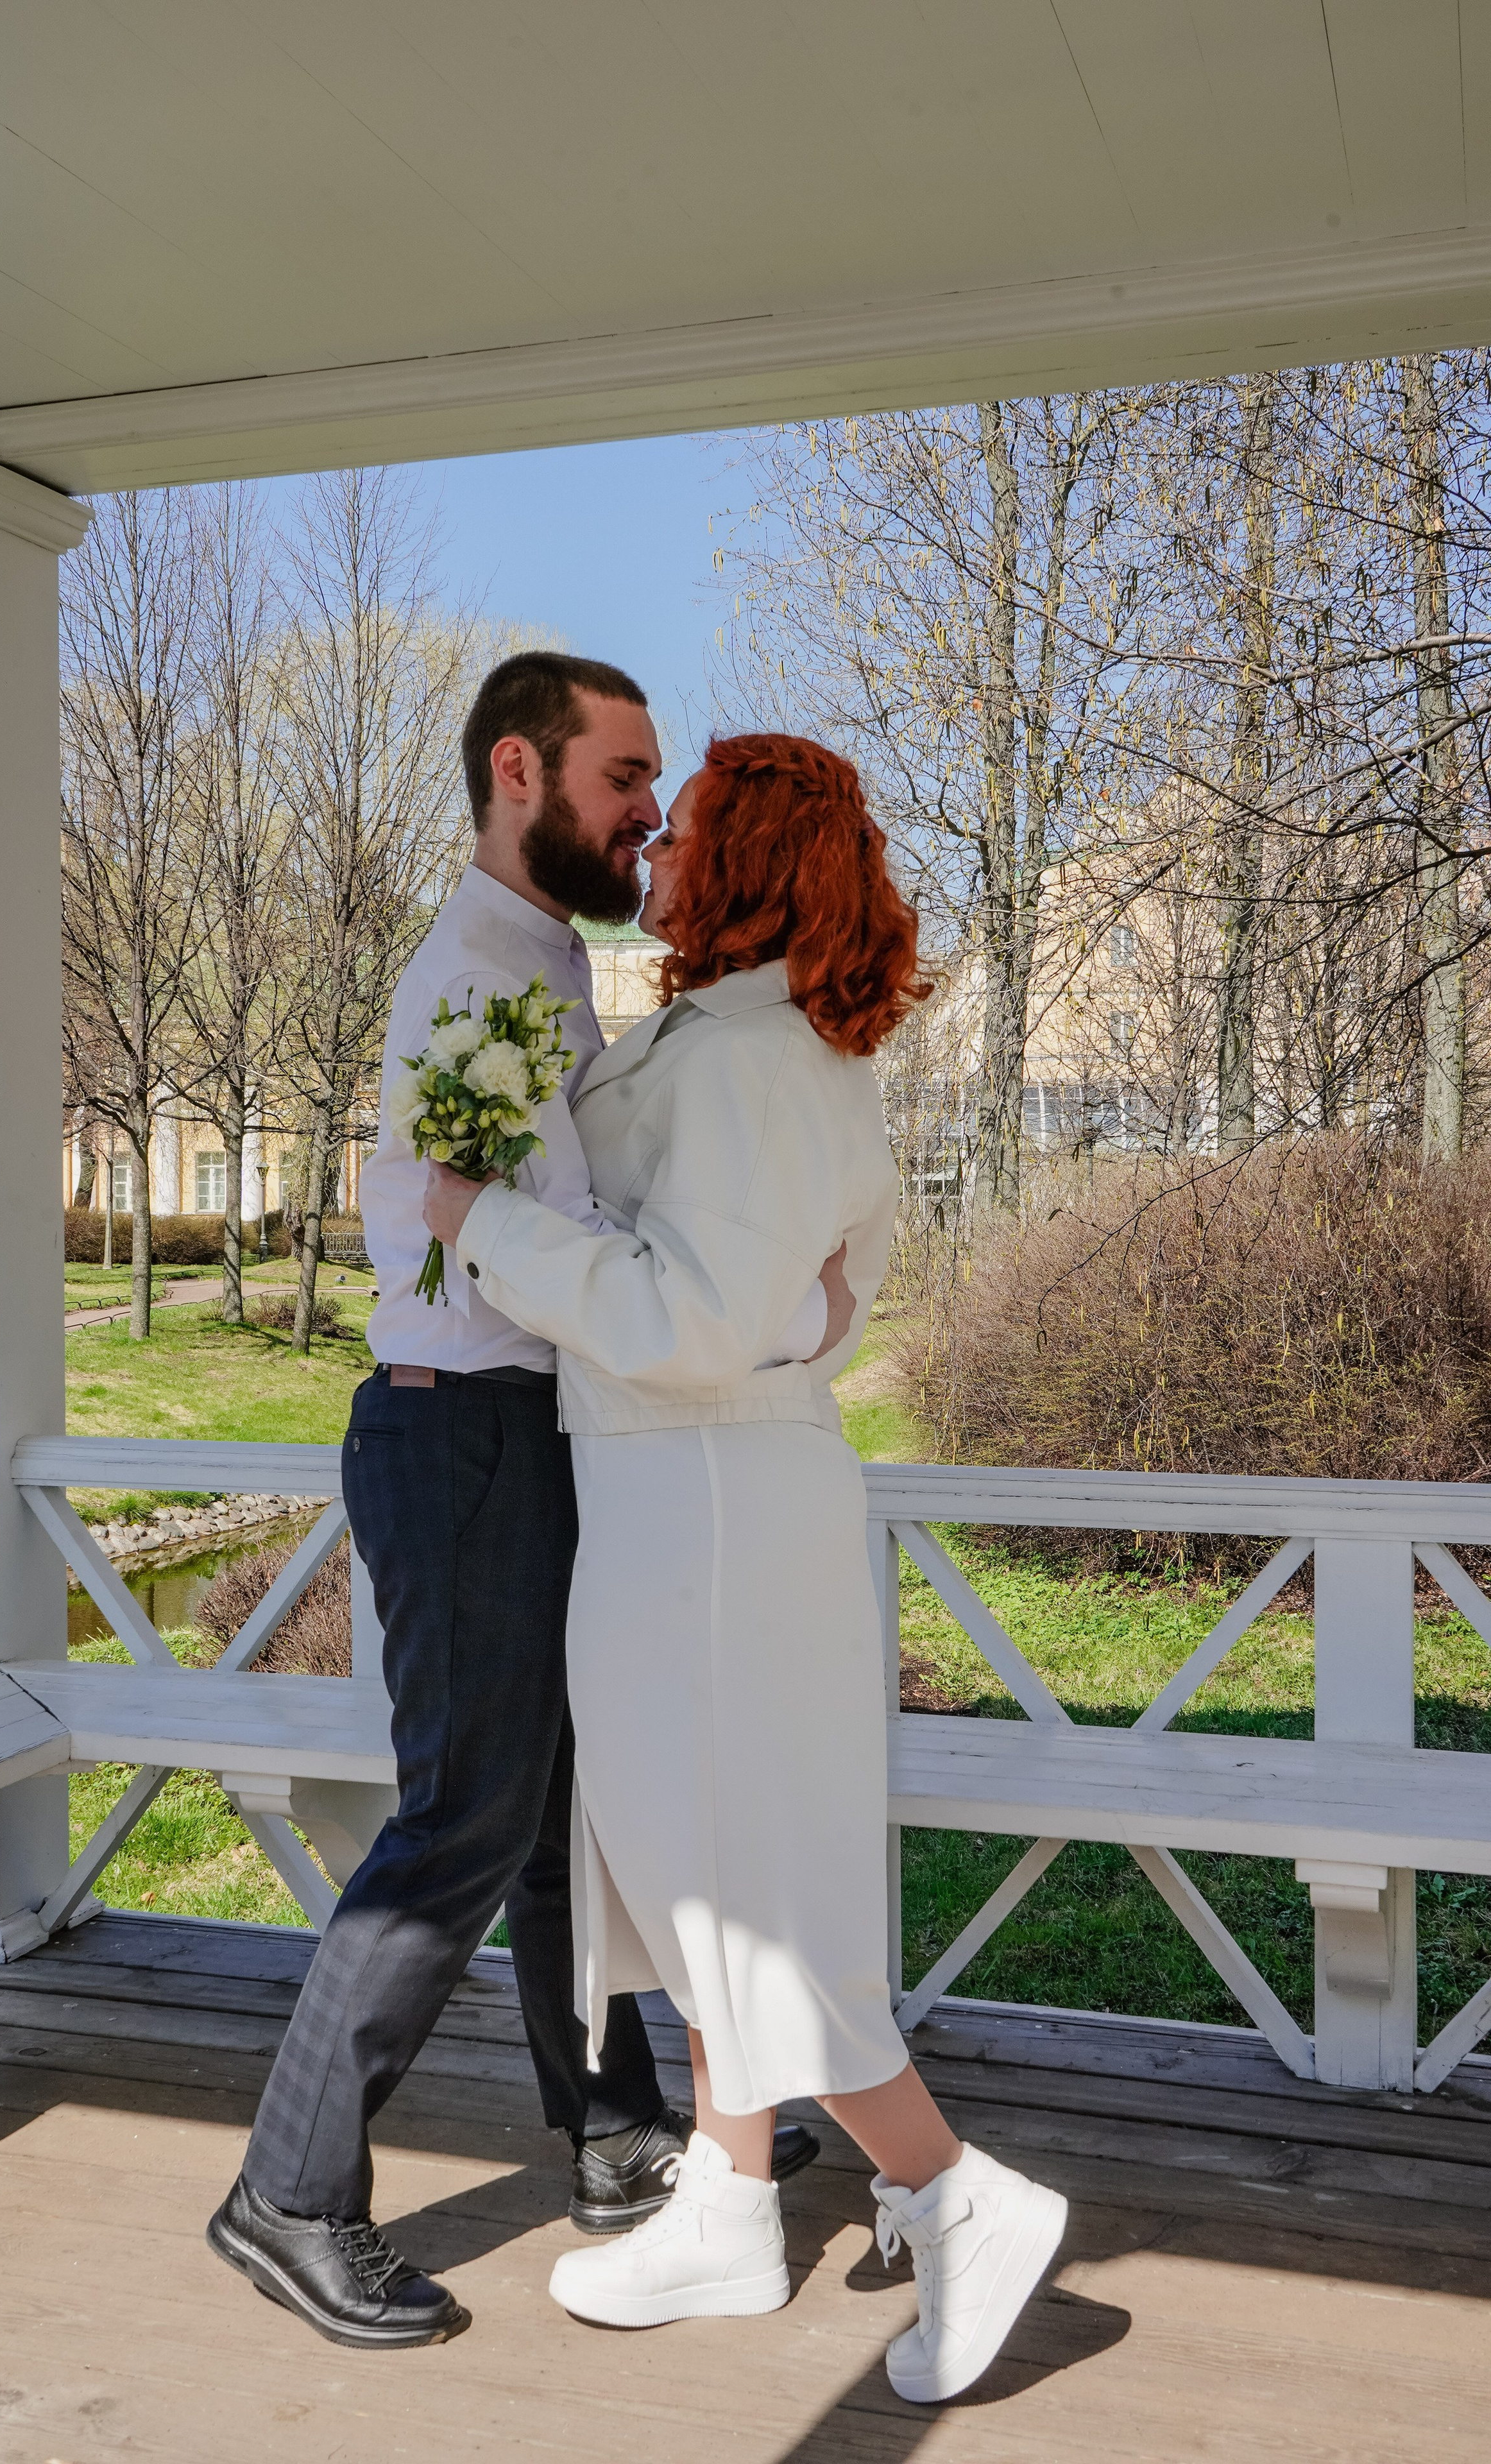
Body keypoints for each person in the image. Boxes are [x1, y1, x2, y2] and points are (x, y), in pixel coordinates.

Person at [423, 733, 1068, 2405]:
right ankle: (726, 2198)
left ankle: (949, 2189)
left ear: (750, 865)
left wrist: (482, 1221)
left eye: (690, 828)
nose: (657, 845)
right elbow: (796, 1302)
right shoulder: (748, 1043)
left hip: (703, 1504)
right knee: (706, 1865)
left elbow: (700, 1318)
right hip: (691, 1493)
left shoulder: (750, 1062)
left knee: (743, 1879)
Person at [208, 656, 822, 2352]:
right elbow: (479, 1235)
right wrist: (718, 1304)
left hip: (517, 1430)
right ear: (518, 772)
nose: (649, 811)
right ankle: (290, 2193)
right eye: (624, 778)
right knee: (465, 1824)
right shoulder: (479, 977)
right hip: (465, 1433)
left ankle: (616, 2134)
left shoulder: (543, 959)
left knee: (562, 1809)